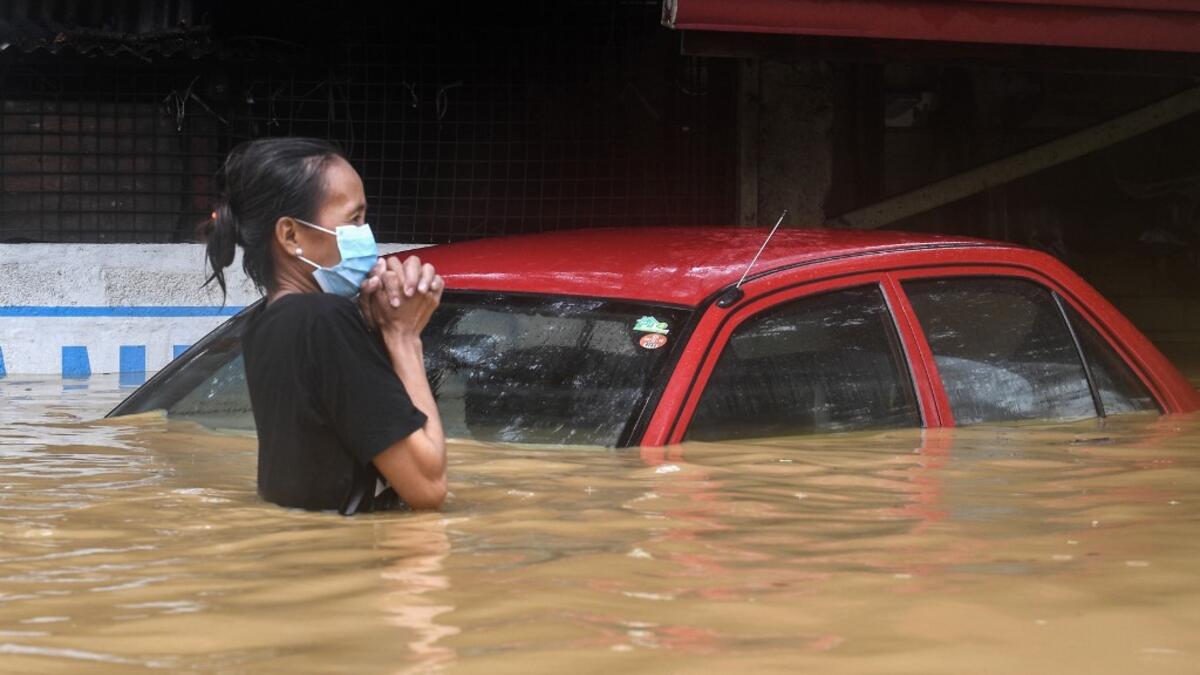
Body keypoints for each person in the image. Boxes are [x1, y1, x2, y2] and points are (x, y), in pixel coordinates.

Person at [200, 137, 447, 515]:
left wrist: (375, 324)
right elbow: (428, 487)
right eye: (354, 219)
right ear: (291, 236)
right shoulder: (323, 320)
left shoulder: (263, 324)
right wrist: (403, 336)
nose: (366, 234)